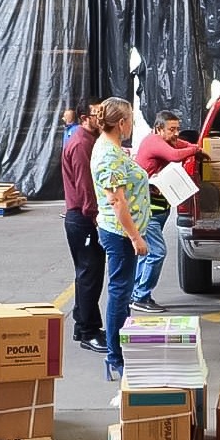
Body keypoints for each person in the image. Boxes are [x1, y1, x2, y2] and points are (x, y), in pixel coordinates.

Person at [91, 97, 150, 379]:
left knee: (123, 291)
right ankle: (116, 355)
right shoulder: (109, 155)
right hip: (119, 233)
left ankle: (121, 349)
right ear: (122, 123)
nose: (132, 125)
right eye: (132, 120)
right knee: (120, 292)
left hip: (119, 231)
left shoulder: (112, 148)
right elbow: (117, 201)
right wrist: (135, 237)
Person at [130, 110, 207, 313]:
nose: (176, 133)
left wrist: (196, 149)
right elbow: (175, 155)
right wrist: (195, 151)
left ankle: (136, 293)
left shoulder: (169, 140)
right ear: (158, 129)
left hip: (159, 208)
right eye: (171, 129)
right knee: (157, 253)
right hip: (147, 210)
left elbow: (183, 145)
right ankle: (141, 296)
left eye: (177, 129)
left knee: (146, 254)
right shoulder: (153, 141)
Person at [62, 101, 107, 354]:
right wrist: (97, 220)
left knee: (87, 275)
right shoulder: (81, 144)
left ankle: (86, 325)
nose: (102, 119)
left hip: (83, 217)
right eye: (97, 115)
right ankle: (88, 333)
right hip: (83, 218)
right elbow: (86, 187)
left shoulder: (90, 139)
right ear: (83, 118)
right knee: (89, 276)